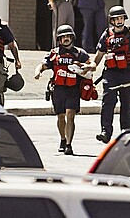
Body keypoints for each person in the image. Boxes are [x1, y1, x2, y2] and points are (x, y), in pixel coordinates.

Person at [33, 24, 94, 155]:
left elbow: (92, 64)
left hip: (73, 89)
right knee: (61, 117)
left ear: (72, 37)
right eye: (63, 37)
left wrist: (84, 66)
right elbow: (42, 65)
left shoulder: (79, 53)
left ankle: (69, 145)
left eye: (68, 36)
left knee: (70, 116)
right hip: (58, 90)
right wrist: (38, 72)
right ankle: (62, 139)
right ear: (59, 39)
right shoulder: (54, 53)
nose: (66, 39)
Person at [91, 6, 130, 144]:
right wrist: (92, 66)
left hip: (128, 74)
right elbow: (99, 55)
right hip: (111, 74)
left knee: (126, 103)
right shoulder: (106, 35)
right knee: (108, 102)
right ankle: (105, 131)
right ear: (112, 21)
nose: (119, 21)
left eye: (121, 18)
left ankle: (126, 132)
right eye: (116, 19)